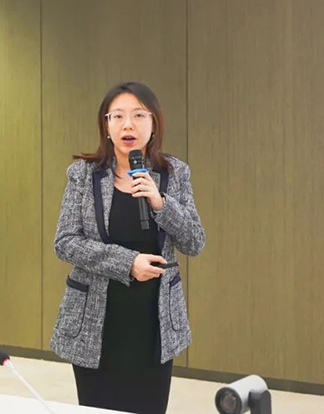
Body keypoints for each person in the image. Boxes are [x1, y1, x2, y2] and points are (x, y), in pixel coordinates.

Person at [49, 81, 205, 414]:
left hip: (153, 323)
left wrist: (160, 202)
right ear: (106, 126)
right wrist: (127, 262)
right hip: (97, 322)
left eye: (138, 115)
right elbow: (65, 242)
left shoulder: (174, 174)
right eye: (117, 116)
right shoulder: (83, 174)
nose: (128, 125)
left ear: (154, 123)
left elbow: (194, 242)